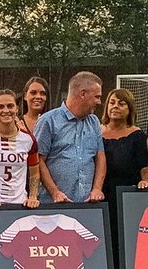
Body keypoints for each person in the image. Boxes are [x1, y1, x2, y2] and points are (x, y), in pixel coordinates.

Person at [34, 71, 106, 203]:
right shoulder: (48, 121)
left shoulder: (94, 122)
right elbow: (37, 160)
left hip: (86, 204)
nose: (99, 102)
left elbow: (100, 158)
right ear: (82, 94)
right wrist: (55, 192)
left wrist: (97, 189)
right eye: (97, 97)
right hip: (54, 205)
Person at [101, 88, 148, 199]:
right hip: (99, 194)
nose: (115, 106)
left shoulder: (138, 136)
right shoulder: (95, 132)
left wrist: (145, 181)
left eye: (121, 104)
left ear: (130, 109)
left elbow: (146, 169)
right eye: (112, 103)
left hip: (127, 193)